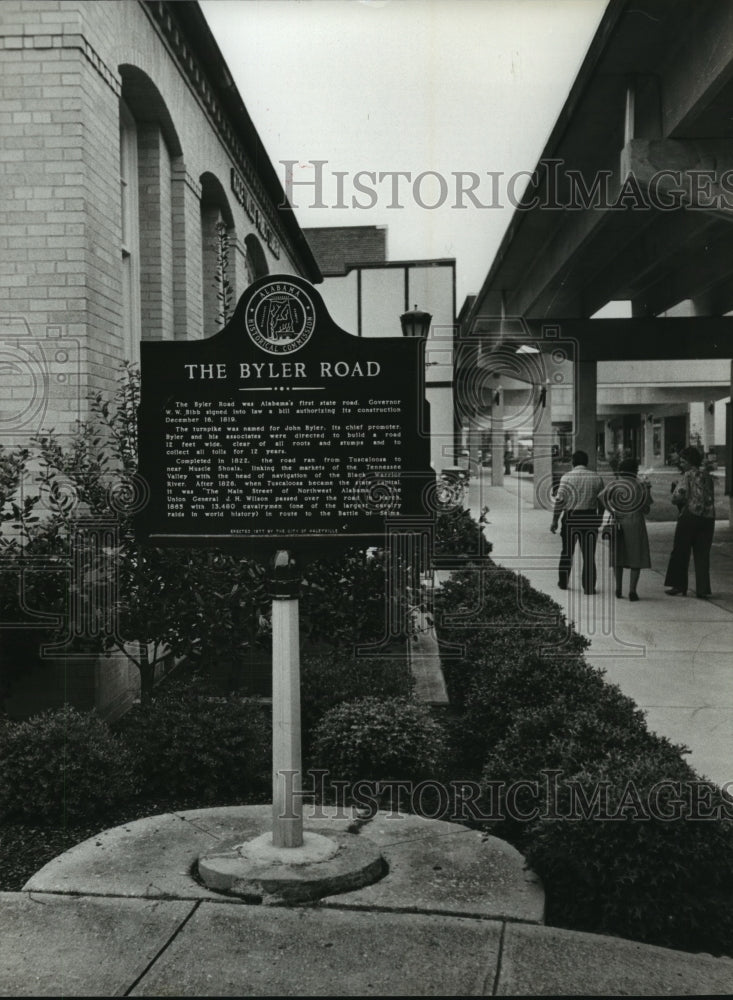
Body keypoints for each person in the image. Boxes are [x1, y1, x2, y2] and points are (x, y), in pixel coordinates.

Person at [550, 450, 605, 594]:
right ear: (586, 462)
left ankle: (563, 582)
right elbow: (602, 501)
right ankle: (589, 586)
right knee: (588, 554)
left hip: (571, 518)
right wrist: (600, 517)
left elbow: (560, 501)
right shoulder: (596, 478)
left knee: (567, 552)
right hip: (589, 518)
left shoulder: (567, 478)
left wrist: (555, 520)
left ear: (573, 462)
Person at [664, 446, 715, 598]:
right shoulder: (707, 476)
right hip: (708, 518)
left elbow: (677, 497)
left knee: (681, 551)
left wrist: (674, 490)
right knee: (702, 554)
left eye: (683, 461)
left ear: (689, 461)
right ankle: (702, 588)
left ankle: (679, 585)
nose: (681, 463)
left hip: (689, 516)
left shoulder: (687, 476)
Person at [600, 458, 652, 601]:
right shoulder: (640, 486)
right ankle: (632, 590)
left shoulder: (616, 484)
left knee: (619, 555)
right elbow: (646, 509)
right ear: (635, 470)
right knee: (636, 556)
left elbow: (602, 497)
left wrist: (612, 510)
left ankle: (618, 588)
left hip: (619, 521)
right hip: (636, 522)